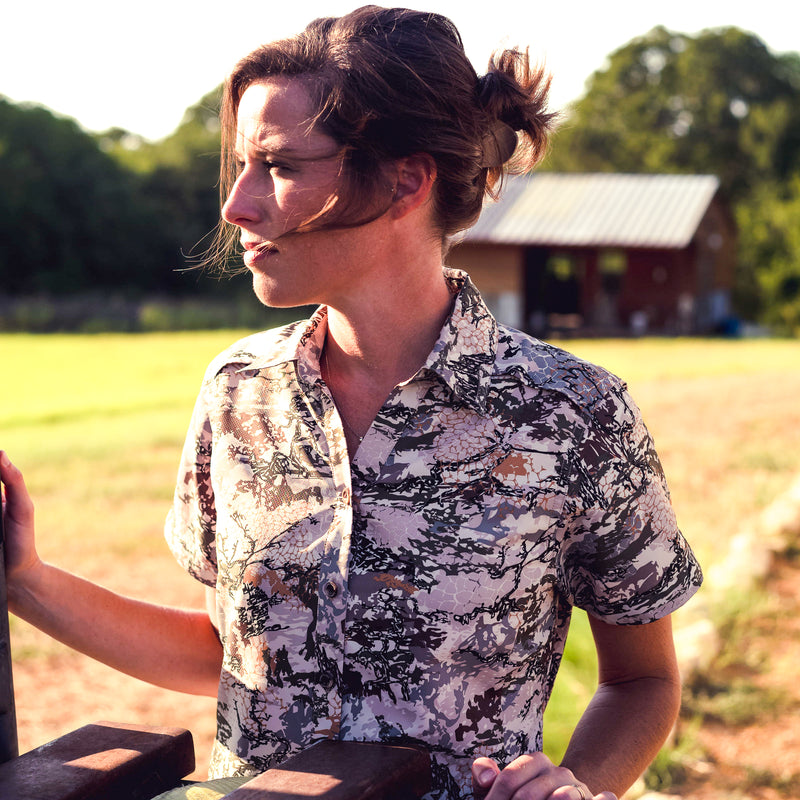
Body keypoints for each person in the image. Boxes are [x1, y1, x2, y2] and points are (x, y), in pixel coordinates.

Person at [0, 7, 702, 800]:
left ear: (406, 180)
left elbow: (643, 683)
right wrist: (23, 578)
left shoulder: (575, 414)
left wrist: (578, 782)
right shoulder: (239, 393)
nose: (237, 206)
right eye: (242, 165)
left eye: (281, 167)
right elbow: (229, 656)